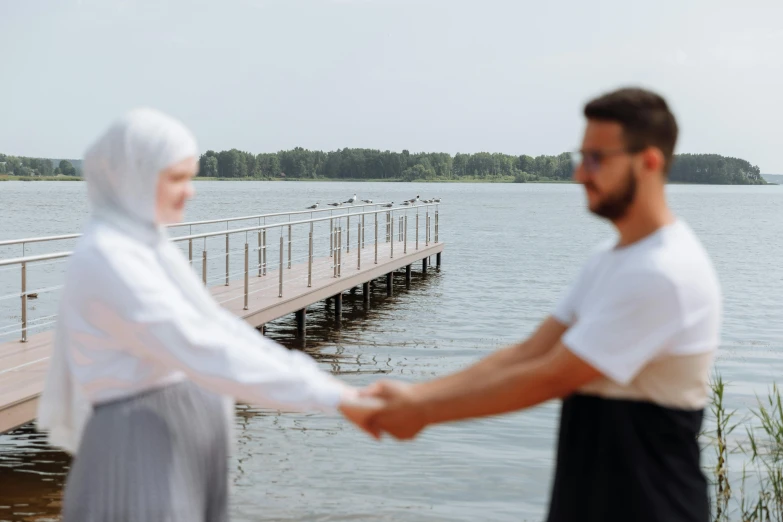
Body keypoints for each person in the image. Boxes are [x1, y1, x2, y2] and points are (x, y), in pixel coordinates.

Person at [360, 88, 722, 522]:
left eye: (596, 159)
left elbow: (550, 377)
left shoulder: (665, 271)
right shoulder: (610, 259)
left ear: (648, 162)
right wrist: (416, 394)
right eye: (580, 157)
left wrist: (422, 411)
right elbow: (528, 354)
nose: (579, 175)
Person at [35, 108, 375, 522]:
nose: (191, 191)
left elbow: (221, 330)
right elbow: (201, 346)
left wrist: (329, 388)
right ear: (134, 177)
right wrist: (335, 398)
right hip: (140, 454)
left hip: (168, 447)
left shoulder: (145, 244)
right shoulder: (108, 257)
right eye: (177, 178)